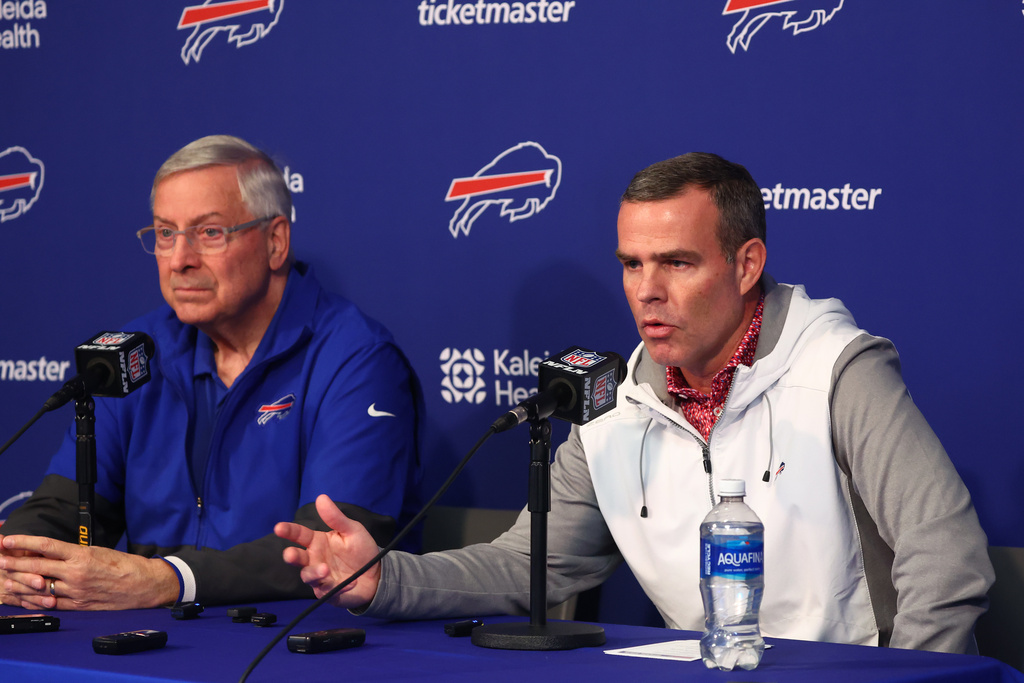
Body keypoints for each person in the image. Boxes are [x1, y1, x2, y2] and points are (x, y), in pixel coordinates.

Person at [274, 152, 993, 654]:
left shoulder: (836, 368)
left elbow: (946, 556)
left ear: (746, 265)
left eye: (677, 262)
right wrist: (384, 576)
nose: (647, 289)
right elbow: (529, 565)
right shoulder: (612, 411)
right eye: (631, 263)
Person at [0, 135, 422, 610]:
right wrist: (15, 559)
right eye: (165, 233)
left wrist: (168, 580)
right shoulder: (138, 351)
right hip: (149, 641)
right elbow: (63, 508)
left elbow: (332, 553)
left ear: (276, 242)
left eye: (209, 232)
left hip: (292, 646)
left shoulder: (358, 359)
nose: (180, 259)